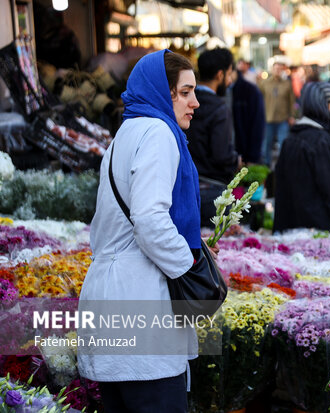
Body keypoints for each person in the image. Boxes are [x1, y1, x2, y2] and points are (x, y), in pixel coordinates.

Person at [77, 50, 204, 412]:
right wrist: (190, 267)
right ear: (162, 93)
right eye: (184, 92)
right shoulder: (158, 133)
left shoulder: (126, 133)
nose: (195, 102)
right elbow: (150, 221)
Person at [273, 82, 330, 233]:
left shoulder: (291, 138)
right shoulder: (320, 140)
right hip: (317, 233)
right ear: (328, 107)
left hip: (290, 231)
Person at [186, 47, 240, 227]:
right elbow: (221, 155)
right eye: (229, 74)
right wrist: (236, 161)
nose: (230, 79)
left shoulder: (185, 103)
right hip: (212, 193)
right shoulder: (219, 108)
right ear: (220, 74)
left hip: (184, 189)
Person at [259, 59, 296, 167]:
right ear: (272, 69)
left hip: (282, 119)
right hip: (268, 118)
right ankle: (266, 166)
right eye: (276, 68)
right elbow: (259, 100)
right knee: (267, 144)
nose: (278, 71)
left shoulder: (287, 83)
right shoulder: (264, 83)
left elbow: (291, 101)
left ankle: (283, 166)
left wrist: (292, 116)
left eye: (280, 69)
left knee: (283, 144)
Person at [231, 66, 266, 164]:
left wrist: (253, 156)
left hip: (246, 152)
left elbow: (258, 124)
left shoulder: (251, 91)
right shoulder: (224, 91)